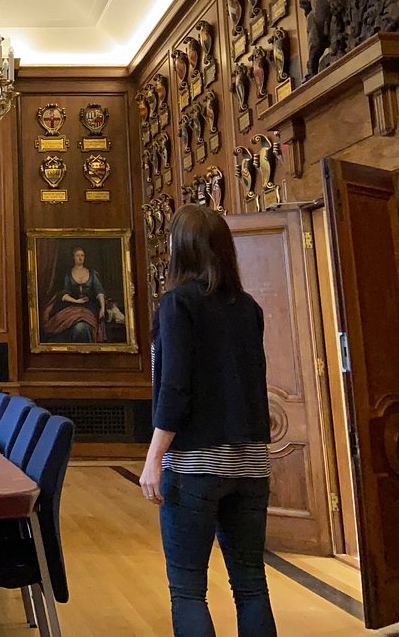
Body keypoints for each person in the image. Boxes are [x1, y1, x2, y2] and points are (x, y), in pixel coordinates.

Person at [140, 204, 275, 637]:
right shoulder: (249, 307)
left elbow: (175, 388)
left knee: (188, 591)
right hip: (251, 462)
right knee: (251, 585)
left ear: (181, 248)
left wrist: (153, 459)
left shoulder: (177, 303)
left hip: (195, 463)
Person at [42, 246, 106, 343]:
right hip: (71, 306)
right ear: (73, 257)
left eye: (82, 255)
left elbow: (99, 292)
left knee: (82, 328)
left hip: (88, 307)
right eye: (77, 255)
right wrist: (76, 301)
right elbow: (64, 294)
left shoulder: (92, 274)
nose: (80, 258)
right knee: (61, 327)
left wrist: (102, 309)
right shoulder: (68, 274)